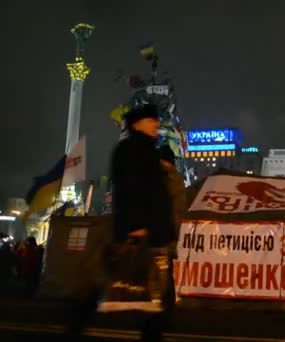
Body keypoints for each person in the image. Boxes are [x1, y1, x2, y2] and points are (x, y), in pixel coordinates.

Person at [110, 104, 176, 341]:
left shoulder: (149, 150)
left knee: (153, 295)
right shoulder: (130, 150)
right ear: (137, 124)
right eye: (151, 120)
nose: (156, 124)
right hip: (143, 233)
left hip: (155, 233)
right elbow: (129, 190)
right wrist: (136, 225)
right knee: (144, 292)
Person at [159, 145, 187, 311]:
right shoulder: (176, 178)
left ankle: (165, 306)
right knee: (166, 269)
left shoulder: (168, 178)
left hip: (163, 232)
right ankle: (167, 306)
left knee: (161, 272)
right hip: (170, 233)